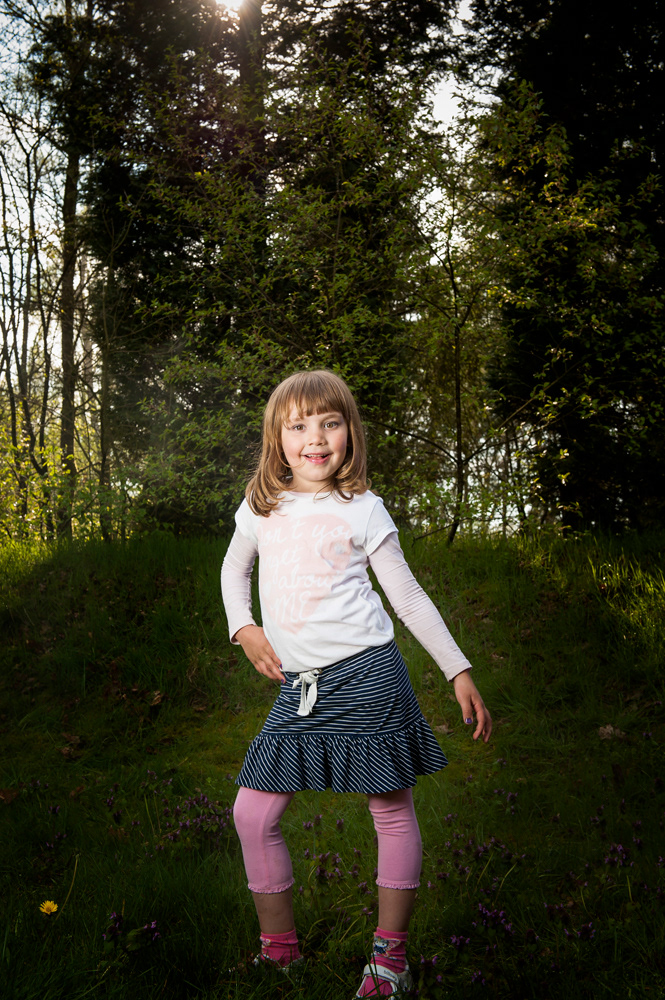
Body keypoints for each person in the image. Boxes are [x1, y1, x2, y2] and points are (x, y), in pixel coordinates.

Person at [221, 369, 491, 998]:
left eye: (330, 423)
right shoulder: (262, 507)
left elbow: (408, 597)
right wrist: (244, 627)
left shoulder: (363, 508)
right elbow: (234, 571)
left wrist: (458, 669)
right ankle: (279, 952)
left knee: (390, 811)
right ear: (278, 438)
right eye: (298, 426)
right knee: (252, 814)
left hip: (369, 676)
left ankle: (390, 961)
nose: (315, 438)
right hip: (301, 688)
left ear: (350, 433)